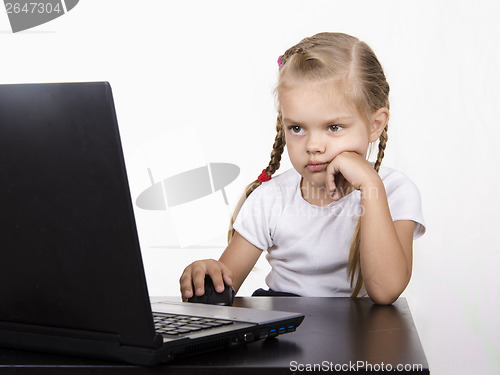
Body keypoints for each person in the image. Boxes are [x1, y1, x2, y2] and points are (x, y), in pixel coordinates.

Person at [179, 32, 425, 305]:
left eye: (334, 127)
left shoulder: (395, 192)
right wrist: (207, 273)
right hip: (284, 332)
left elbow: (386, 290)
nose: (313, 145)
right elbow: (223, 286)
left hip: (360, 335)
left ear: (374, 125)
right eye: (297, 128)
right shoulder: (270, 199)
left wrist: (370, 184)